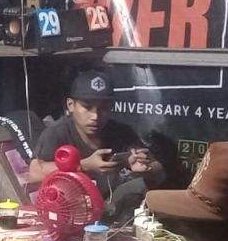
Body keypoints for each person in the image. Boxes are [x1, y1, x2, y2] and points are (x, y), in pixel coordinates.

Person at [29, 69, 167, 218]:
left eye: (103, 108)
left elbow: (159, 172)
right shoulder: (57, 134)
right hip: (70, 215)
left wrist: (145, 169)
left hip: (115, 212)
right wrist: (83, 165)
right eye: (87, 107)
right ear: (70, 105)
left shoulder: (121, 132)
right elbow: (34, 173)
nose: (95, 116)